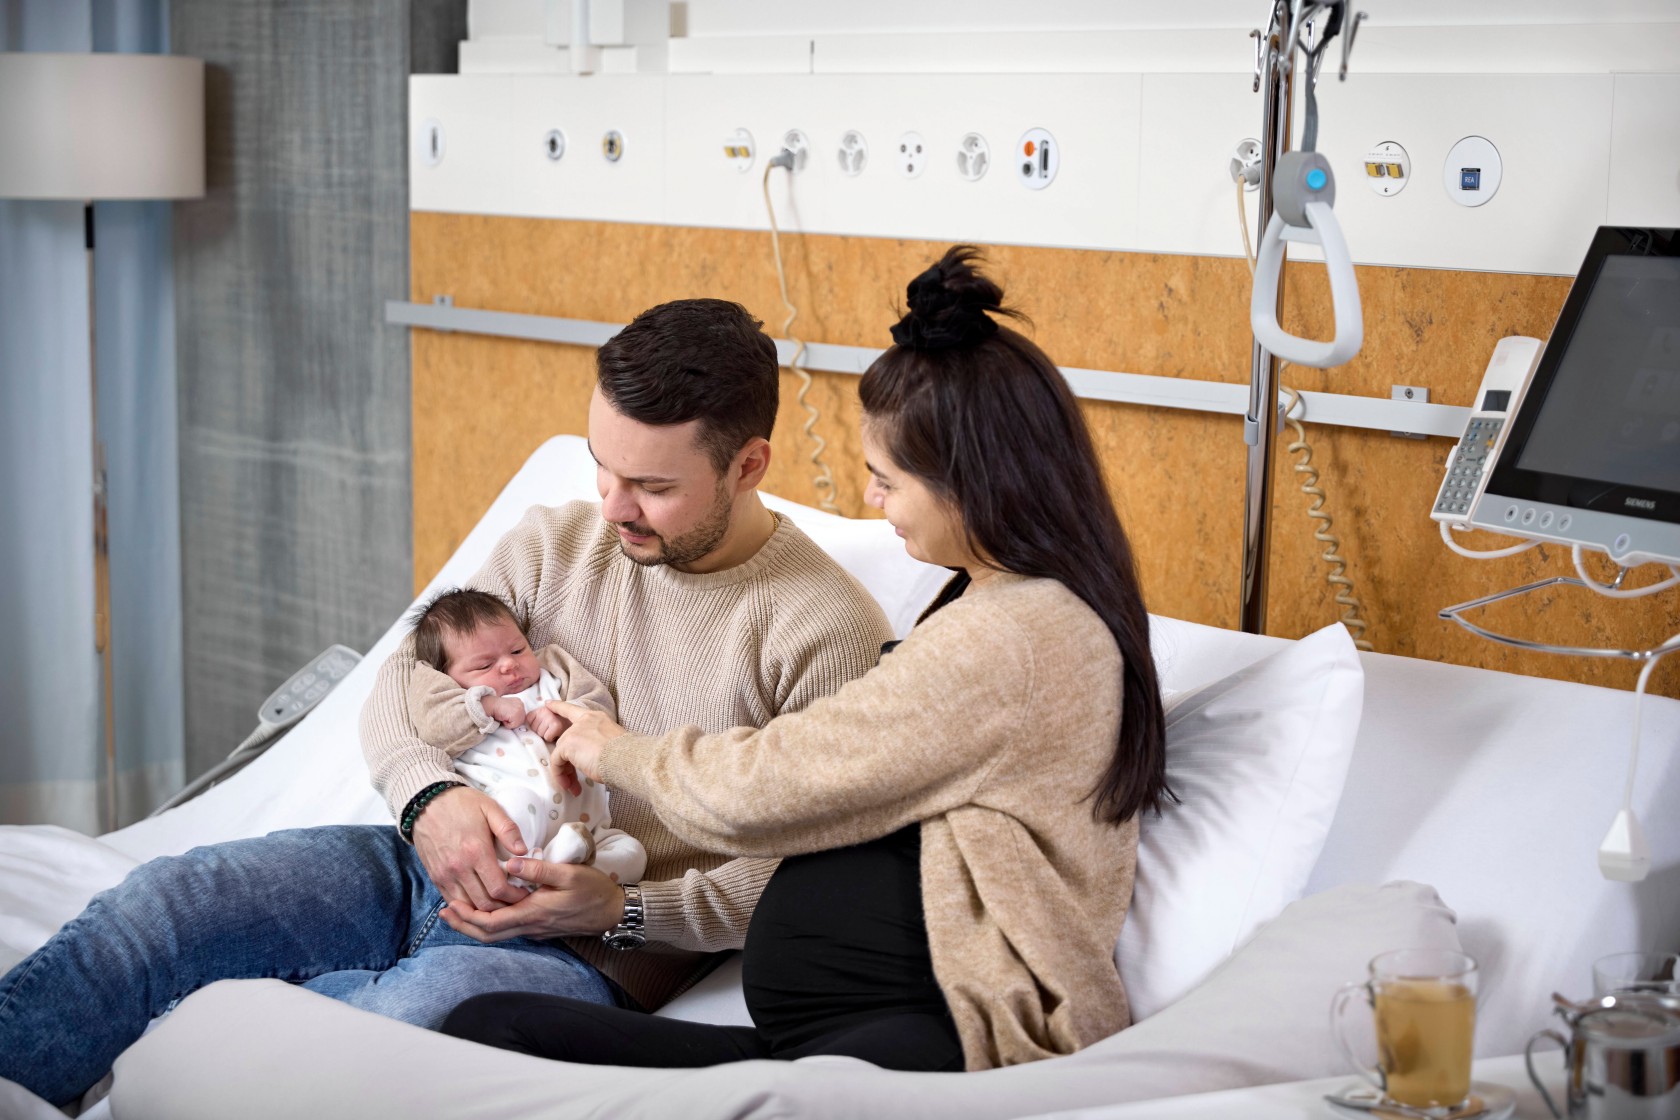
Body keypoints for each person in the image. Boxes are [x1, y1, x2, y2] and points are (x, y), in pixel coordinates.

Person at [0, 298, 894, 1107]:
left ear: (748, 465)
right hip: (417, 864)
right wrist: (431, 800)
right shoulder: (554, 544)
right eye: (602, 467)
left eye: (654, 488)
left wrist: (619, 912)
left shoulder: (821, 630)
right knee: (165, 905)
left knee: (367, 1042)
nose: (613, 508)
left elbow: (795, 883)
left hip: (583, 943)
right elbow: (401, 683)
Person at [441, 246, 1173, 1074]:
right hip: (830, 1034)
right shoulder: (993, 608)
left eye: (886, 479)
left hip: (936, 1038)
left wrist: (615, 753)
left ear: (976, 484)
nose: (870, 499)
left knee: (484, 1044)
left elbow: (772, 788)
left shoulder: (1023, 636)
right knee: (493, 1032)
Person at [404, 587, 645, 887]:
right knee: (517, 804)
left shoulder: (554, 669)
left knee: (633, 854)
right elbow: (434, 726)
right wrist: (487, 706)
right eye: (484, 665)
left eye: (518, 650)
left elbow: (597, 706)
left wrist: (566, 717)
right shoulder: (454, 699)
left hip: (588, 828)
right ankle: (517, 869)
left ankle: (558, 868)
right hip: (507, 822)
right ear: (447, 676)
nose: (509, 665)